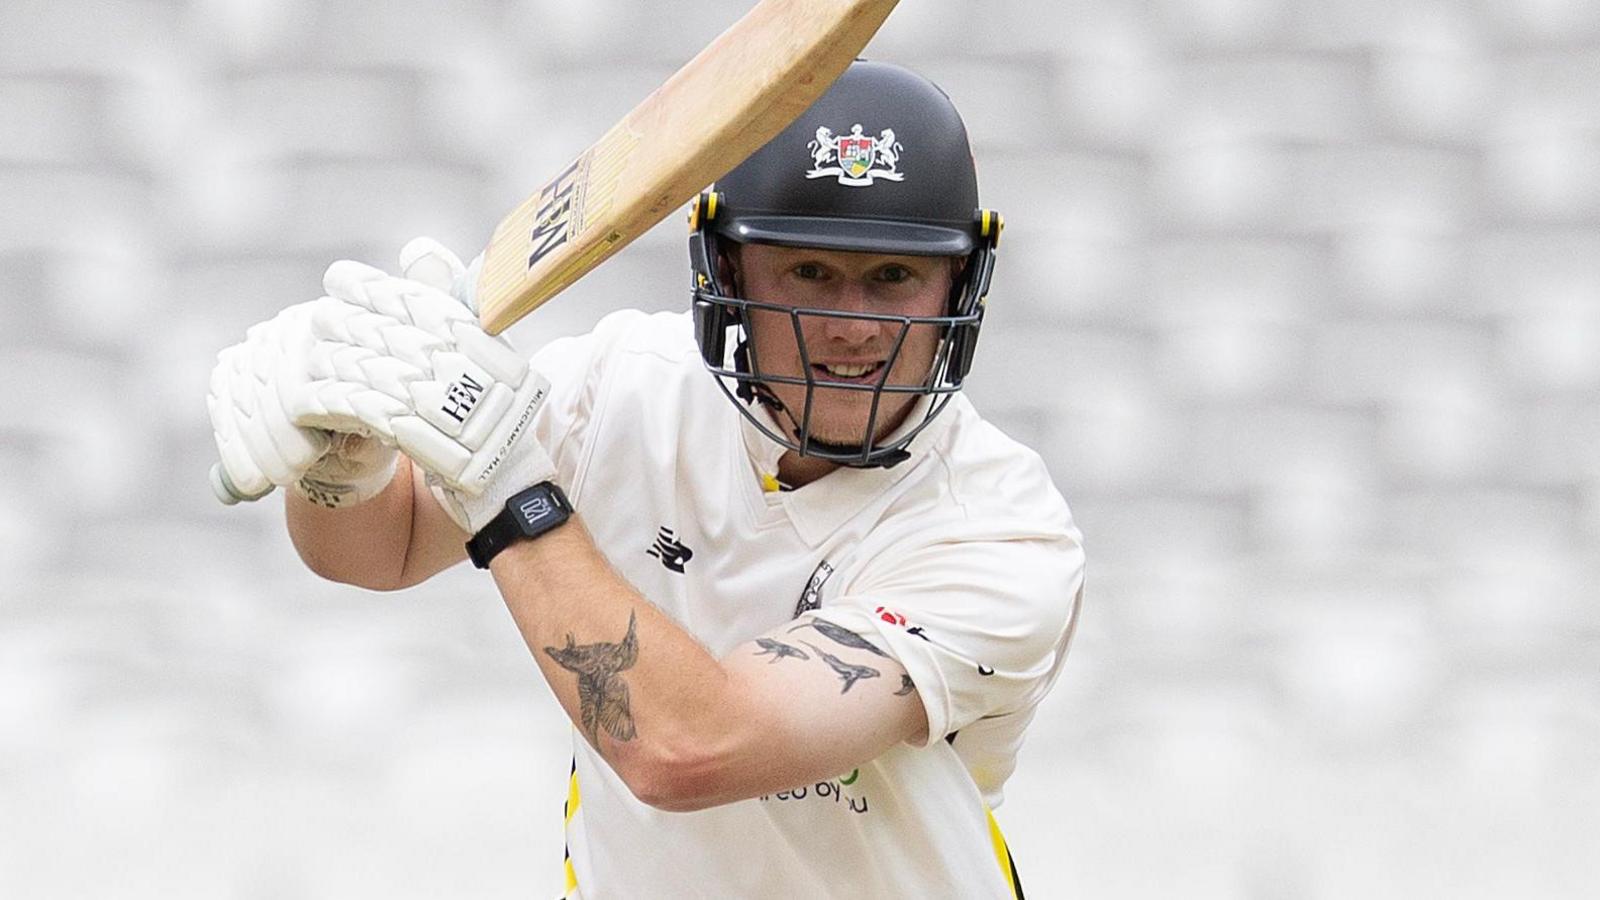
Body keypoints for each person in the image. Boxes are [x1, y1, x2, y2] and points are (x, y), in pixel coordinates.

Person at [207, 60, 1085, 899]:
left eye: (892, 276)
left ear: (957, 288)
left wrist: (509, 489)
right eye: (809, 272)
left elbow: (687, 749)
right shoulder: (621, 385)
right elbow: (379, 551)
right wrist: (340, 468)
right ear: (730, 272)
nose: (851, 326)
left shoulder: (1002, 532)